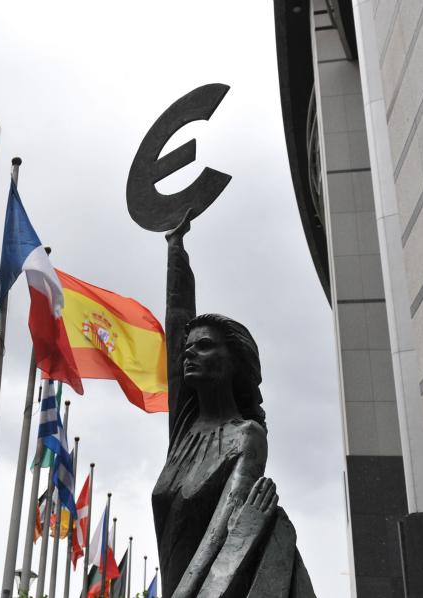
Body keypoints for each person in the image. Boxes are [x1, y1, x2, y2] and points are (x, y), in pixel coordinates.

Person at [151, 209, 315, 598]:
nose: (189, 354)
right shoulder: (184, 430)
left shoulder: (247, 437)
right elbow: (176, 322)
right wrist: (175, 250)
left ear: (233, 364)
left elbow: (219, 540)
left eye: (205, 346)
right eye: (188, 348)